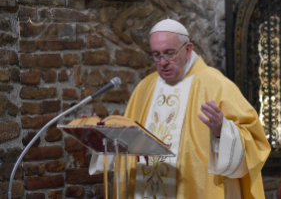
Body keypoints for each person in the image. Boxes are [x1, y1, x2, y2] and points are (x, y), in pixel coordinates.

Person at [89, 19, 270, 199]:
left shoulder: (216, 85)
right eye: (157, 55)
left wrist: (221, 131)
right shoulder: (145, 87)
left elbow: (255, 142)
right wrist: (103, 130)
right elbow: (128, 137)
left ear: (188, 50)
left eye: (169, 53)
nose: (163, 62)